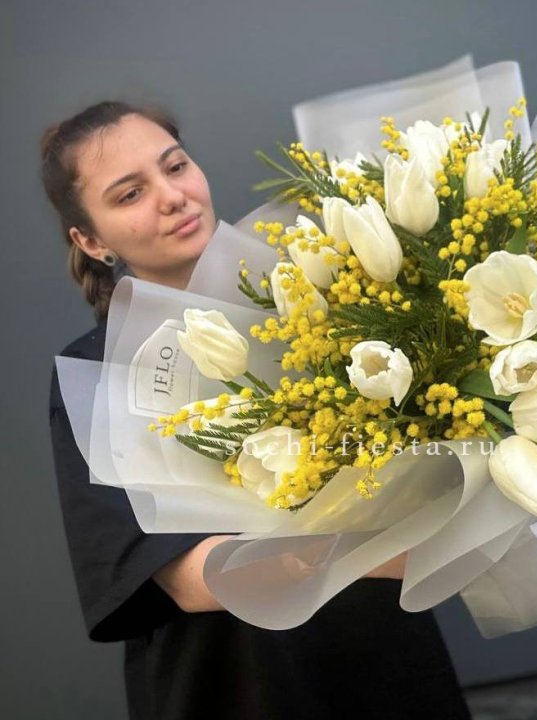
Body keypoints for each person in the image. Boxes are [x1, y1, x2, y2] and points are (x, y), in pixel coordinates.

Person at [44, 101, 472, 720]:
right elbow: (179, 579)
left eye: (176, 167)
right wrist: (382, 549)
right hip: (239, 681)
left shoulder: (316, 299)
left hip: (383, 658)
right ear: (90, 239)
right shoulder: (97, 372)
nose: (172, 197)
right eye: (131, 193)